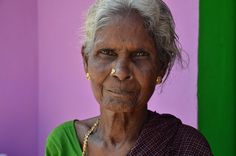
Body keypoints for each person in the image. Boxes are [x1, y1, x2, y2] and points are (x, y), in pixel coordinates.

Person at [45, 0, 212, 155]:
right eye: (107, 53)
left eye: (140, 54)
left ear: (161, 66)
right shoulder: (63, 143)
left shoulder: (185, 146)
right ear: (86, 60)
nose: (121, 71)